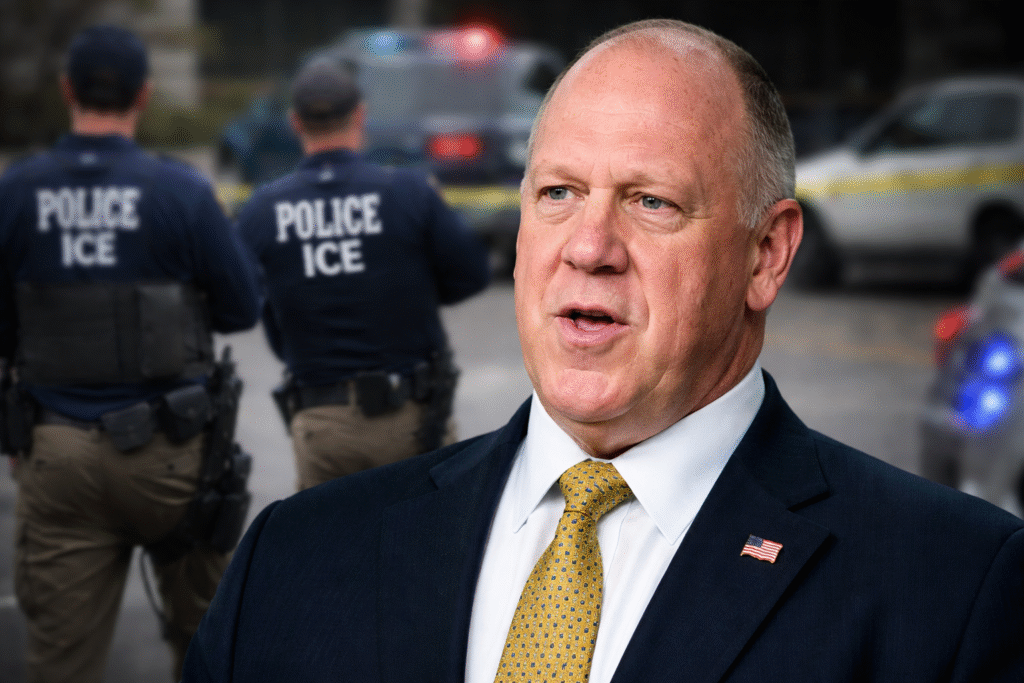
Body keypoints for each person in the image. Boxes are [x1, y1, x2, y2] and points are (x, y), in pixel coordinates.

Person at [182, 19, 1024, 683]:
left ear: (766, 254)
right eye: (558, 192)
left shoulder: (955, 594)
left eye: (651, 202)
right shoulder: (290, 561)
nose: (588, 247)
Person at [0, 25, 261, 682]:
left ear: (68, 92)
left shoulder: (18, 191)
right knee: (208, 649)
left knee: (62, 660)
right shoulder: (180, 191)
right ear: (144, 95)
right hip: (173, 455)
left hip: (56, 449)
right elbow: (241, 307)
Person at [235, 59, 491, 490]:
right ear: (360, 116)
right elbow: (472, 274)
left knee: (333, 552)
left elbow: (238, 300)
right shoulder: (408, 192)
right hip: (411, 418)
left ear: (296, 123)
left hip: (322, 421)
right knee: (425, 548)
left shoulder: (262, 210)